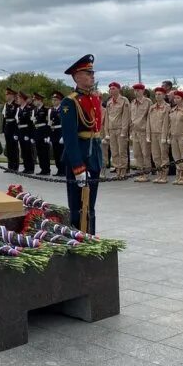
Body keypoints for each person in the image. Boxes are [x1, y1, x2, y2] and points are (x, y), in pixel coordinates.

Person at [60, 54, 102, 234]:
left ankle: (90, 236)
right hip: (80, 157)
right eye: (88, 73)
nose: (92, 76)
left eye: (92, 72)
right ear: (77, 77)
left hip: (93, 155)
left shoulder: (94, 98)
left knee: (90, 204)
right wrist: (78, 167)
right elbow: (70, 138)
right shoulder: (70, 102)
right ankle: (78, 238)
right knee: (78, 205)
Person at [103, 82, 130, 178]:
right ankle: (117, 170)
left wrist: (124, 131)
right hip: (111, 130)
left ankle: (123, 171)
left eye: (113, 88)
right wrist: (106, 132)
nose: (111, 90)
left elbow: (126, 117)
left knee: (122, 151)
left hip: (120, 129)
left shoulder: (124, 100)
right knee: (114, 152)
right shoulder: (109, 102)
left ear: (119, 89)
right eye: (110, 89)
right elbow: (107, 118)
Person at [147, 87, 170, 184]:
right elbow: (148, 121)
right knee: (156, 155)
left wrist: (165, 136)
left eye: (159, 94)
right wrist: (148, 134)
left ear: (164, 95)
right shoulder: (152, 107)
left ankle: (164, 175)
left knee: (163, 155)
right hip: (153, 133)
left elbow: (167, 123)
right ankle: (159, 174)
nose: (157, 96)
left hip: (162, 134)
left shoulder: (167, 107)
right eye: (156, 94)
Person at [130, 83, 152, 182]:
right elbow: (131, 118)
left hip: (144, 131)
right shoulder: (133, 102)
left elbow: (150, 118)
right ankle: (140, 172)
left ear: (143, 91)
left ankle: (146, 174)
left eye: (138, 90)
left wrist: (148, 132)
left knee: (145, 153)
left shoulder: (148, 102)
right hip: (135, 131)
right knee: (137, 153)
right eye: (135, 90)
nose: (136, 92)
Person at [168, 90, 183, 185]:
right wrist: (168, 136)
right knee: (176, 157)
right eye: (175, 98)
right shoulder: (172, 110)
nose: (176, 99)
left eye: (178, 98)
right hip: (174, 136)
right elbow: (170, 125)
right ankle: (179, 176)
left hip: (182, 136)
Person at [32, 92, 51, 175]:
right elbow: (34, 123)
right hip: (37, 133)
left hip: (43, 133)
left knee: (45, 152)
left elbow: (48, 123)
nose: (34, 102)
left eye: (35, 100)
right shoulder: (35, 110)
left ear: (40, 100)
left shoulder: (46, 110)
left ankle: (46, 169)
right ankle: (42, 168)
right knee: (39, 152)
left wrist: (47, 135)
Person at [16, 92, 35, 174]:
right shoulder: (19, 109)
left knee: (28, 151)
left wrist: (28, 134)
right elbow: (17, 123)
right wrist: (16, 133)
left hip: (26, 131)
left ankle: (30, 168)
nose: (17, 100)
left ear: (23, 99)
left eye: (19, 98)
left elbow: (31, 123)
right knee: (23, 151)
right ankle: (26, 167)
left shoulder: (29, 109)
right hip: (20, 131)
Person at [2, 87, 20, 171]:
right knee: (9, 148)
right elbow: (4, 118)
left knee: (14, 148)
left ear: (12, 95)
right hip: (7, 127)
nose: (6, 95)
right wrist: (3, 129)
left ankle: (15, 166)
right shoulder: (6, 105)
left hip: (14, 127)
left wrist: (16, 132)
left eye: (7, 94)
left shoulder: (17, 105)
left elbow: (17, 120)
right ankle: (10, 166)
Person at [49, 91, 64, 176]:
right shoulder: (51, 110)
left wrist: (63, 136)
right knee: (56, 153)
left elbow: (65, 123)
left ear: (60, 101)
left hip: (60, 132)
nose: (54, 102)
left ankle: (63, 170)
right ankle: (59, 169)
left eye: (55, 100)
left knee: (61, 153)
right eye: (53, 100)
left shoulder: (63, 109)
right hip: (54, 133)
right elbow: (50, 123)